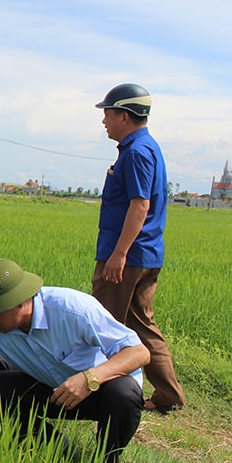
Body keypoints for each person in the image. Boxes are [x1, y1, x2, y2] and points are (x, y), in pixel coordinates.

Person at [0, 258, 150, 463]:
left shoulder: (73, 309)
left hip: (99, 391)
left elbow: (139, 353)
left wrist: (89, 378)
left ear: (17, 302)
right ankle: (56, 448)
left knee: (123, 394)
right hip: (53, 390)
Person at [92, 83, 186, 413]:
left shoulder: (136, 152)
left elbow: (140, 204)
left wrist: (118, 255)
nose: (103, 119)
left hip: (128, 257)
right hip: (142, 252)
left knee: (102, 322)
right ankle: (169, 396)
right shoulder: (144, 147)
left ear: (124, 116)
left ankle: (100, 390)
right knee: (140, 324)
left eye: (108, 112)